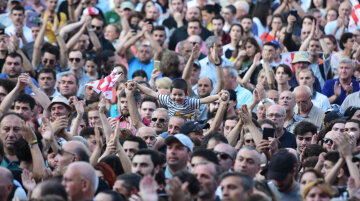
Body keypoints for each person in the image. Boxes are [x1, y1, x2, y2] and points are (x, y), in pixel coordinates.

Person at [131, 78, 228, 120]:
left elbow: (205, 100)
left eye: (180, 95)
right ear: (170, 94)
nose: (177, 98)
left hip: (188, 129)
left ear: (186, 94)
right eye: (174, 94)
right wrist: (138, 85)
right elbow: (151, 92)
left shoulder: (190, 101)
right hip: (172, 129)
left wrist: (218, 96)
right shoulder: (168, 99)